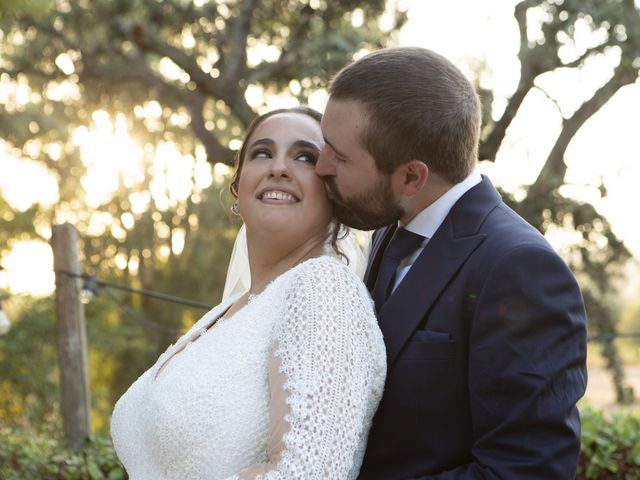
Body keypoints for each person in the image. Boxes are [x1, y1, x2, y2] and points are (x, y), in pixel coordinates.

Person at [315, 47, 588, 479]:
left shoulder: (521, 269)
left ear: (411, 177)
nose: (320, 165)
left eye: (340, 156)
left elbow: (527, 470)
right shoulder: (390, 227)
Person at [110, 107, 387, 480]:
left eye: (305, 157)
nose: (279, 167)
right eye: (262, 153)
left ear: (335, 192)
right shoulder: (227, 313)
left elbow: (309, 473)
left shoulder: (324, 290)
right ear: (238, 189)